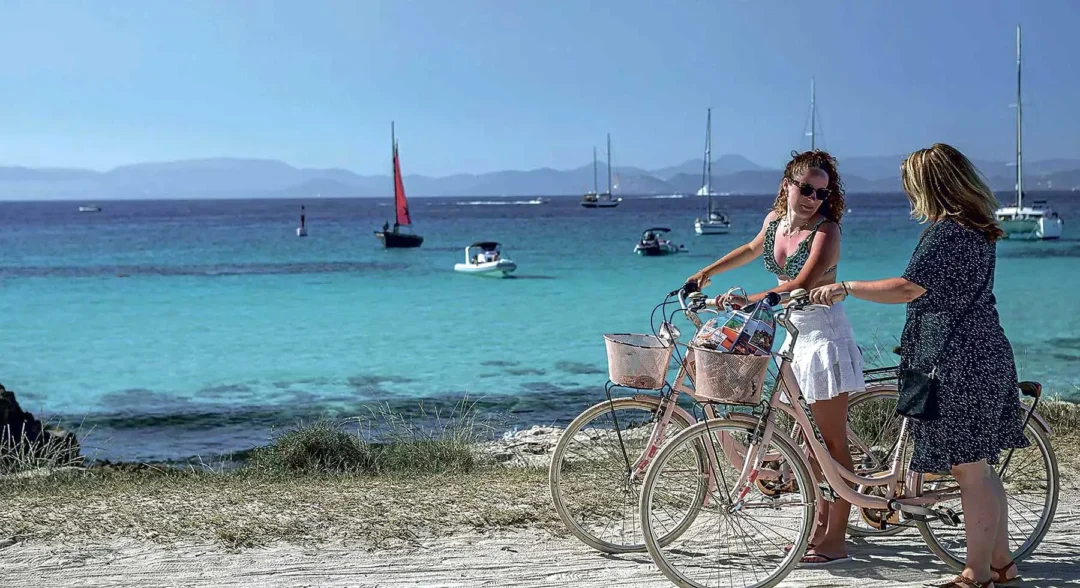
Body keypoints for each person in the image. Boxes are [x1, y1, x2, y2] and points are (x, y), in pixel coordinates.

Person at [809, 143, 1028, 588]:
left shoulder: (949, 232)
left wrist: (846, 287)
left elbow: (909, 288)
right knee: (979, 468)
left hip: (958, 360)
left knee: (970, 470)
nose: (910, 196)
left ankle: (977, 575)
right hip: (980, 354)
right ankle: (1001, 566)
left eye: (913, 186)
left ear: (932, 186)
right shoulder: (975, 229)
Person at [687, 150, 863, 566]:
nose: (812, 198)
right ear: (787, 184)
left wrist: (744, 300)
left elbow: (800, 282)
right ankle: (816, 527)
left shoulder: (827, 230)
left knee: (831, 441)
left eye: (821, 192)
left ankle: (835, 538)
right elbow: (750, 250)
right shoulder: (774, 223)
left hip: (822, 337)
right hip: (791, 333)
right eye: (805, 188)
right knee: (806, 439)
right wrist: (704, 275)